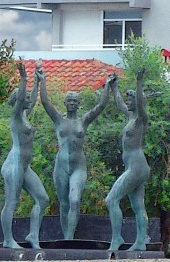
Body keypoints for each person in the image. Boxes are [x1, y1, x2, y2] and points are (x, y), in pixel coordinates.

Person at [39, 70, 116, 240]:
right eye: (69, 100)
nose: (72, 103)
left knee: (74, 200)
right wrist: (42, 80)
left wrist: (107, 86)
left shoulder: (83, 121)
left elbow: (100, 106)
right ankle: (67, 239)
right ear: (65, 103)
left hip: (78, 166)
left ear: (79, 104)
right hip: (61, 166)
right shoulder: (59, 119)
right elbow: (45, 102)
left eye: (75, 100)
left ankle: (69, 238)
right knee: (64, 204)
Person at [0, 60, 49, 249]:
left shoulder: (25, 116)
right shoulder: (16, 117)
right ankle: (7, 240)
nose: (28, 99)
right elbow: (22, 99)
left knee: (43, 199)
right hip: (14, 164)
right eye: (25, 97)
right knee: (11, 202)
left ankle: (33, 235)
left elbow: (32, 100)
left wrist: (38, 81)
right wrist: (24, 78)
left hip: (24, 166)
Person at [106, 68, 151, 252]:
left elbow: (140, 102)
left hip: (137, 166)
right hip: (134, 166)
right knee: (138, 206)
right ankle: (140, 242)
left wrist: (139, 82)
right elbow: (120, 104)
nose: (129, 102)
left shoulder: (141, 119)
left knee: (111, 200)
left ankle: (117, 238)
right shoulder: (131, 117)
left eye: (131, 100)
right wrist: (114, 87)